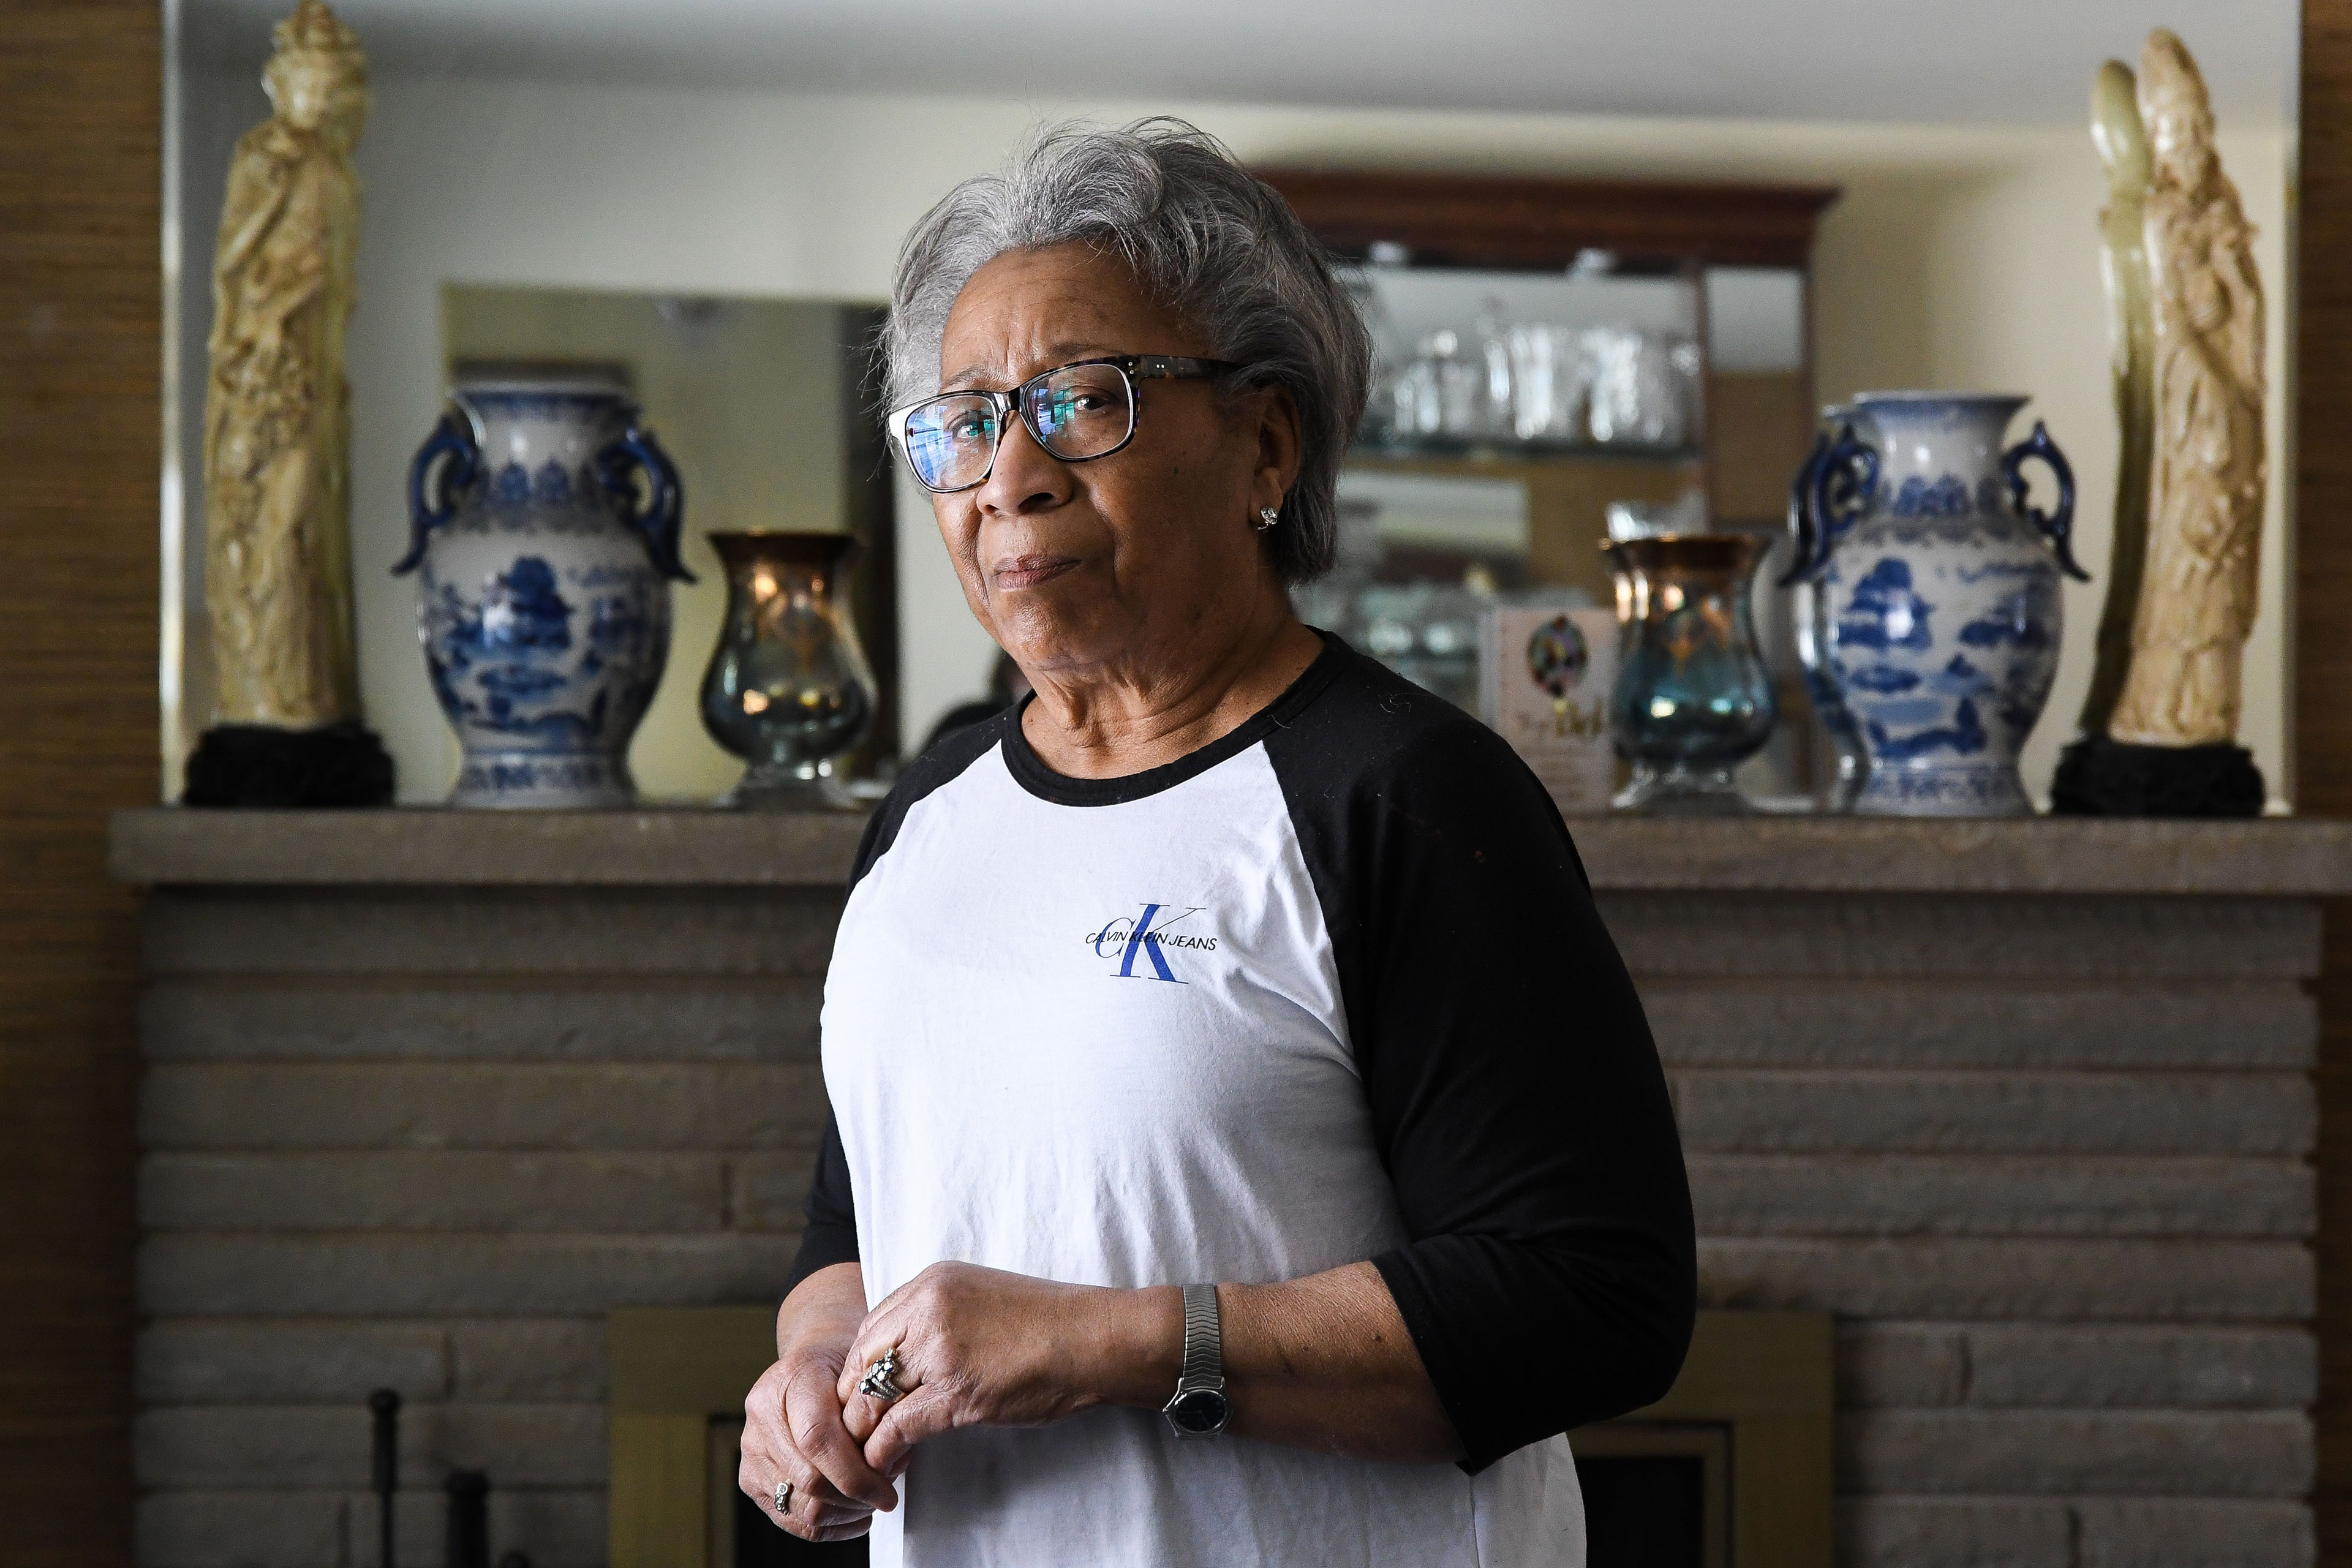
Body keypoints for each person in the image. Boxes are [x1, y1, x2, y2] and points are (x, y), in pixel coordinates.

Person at [739, 118, 1694, 1567]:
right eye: (964, 423)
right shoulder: (922, 823)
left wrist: (1106, 1342)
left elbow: (1592, 1301)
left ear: (1265, 441)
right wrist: (808, 1375)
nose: (1011, 476)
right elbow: (857, 1220)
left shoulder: (1410, 794)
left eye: (1081, 400)